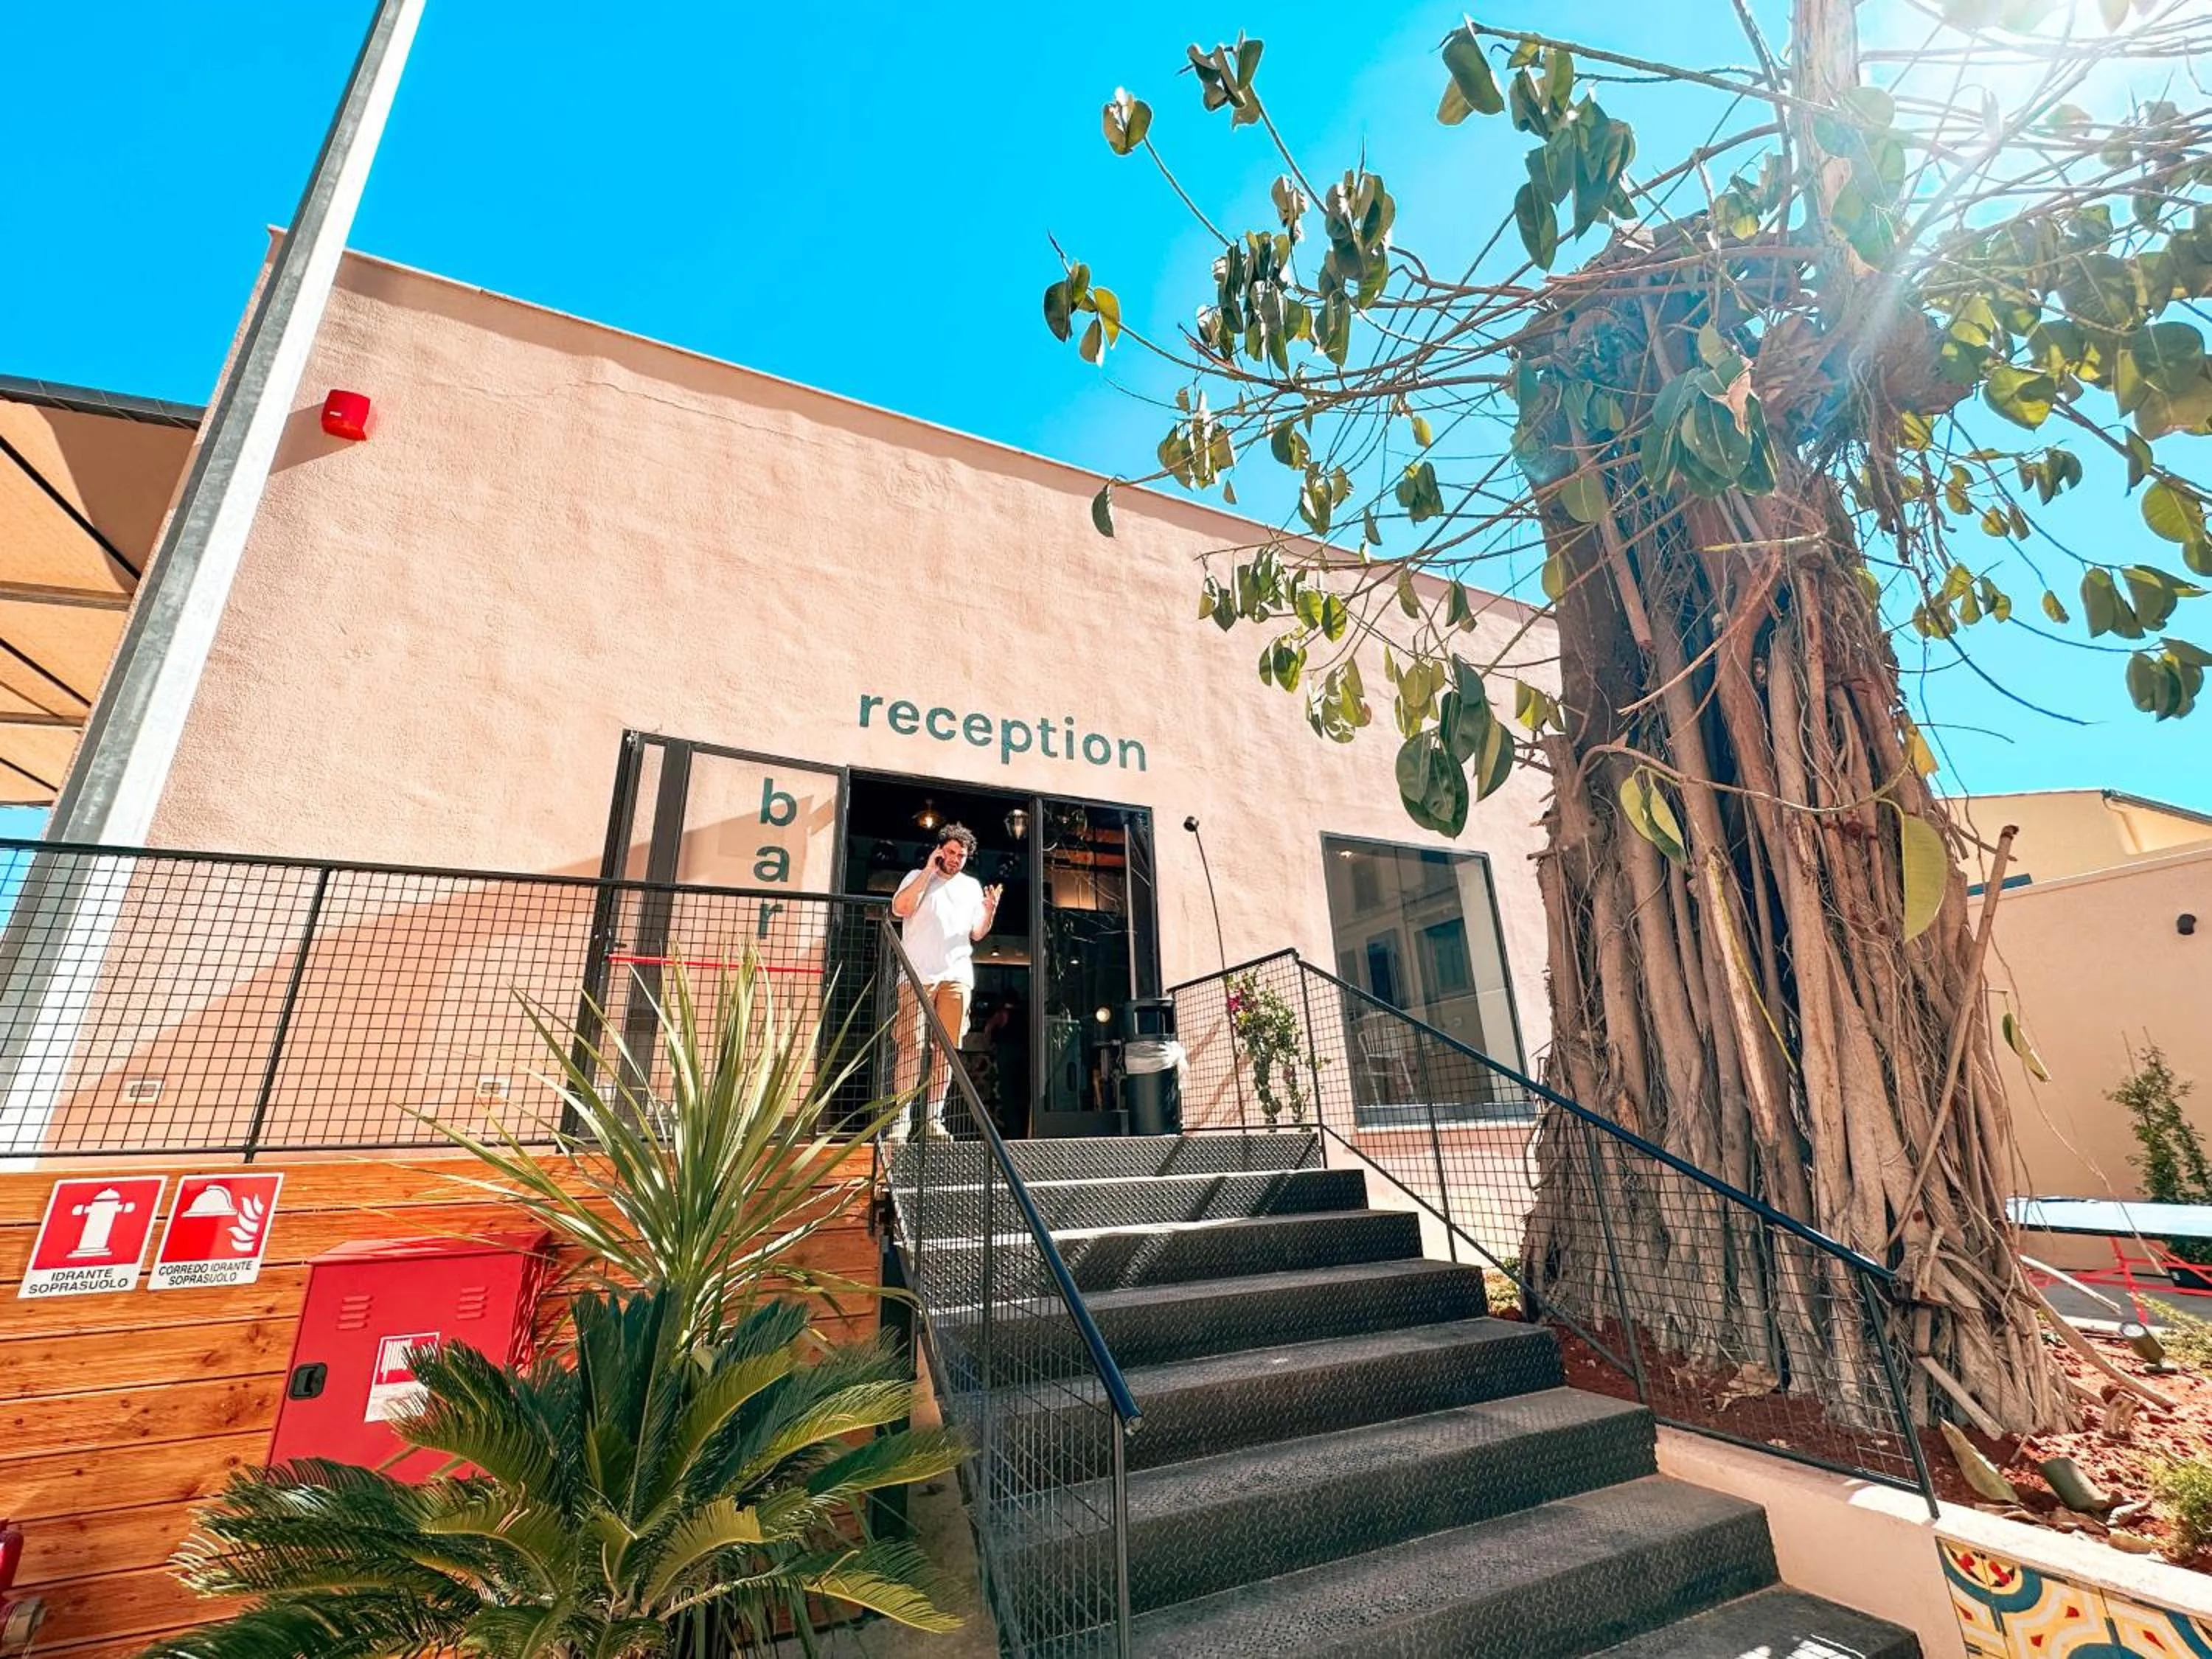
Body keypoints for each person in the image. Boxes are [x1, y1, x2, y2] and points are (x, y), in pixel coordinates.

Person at [888, 823, 1001, 1140]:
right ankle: (902, 1119)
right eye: (950, 852)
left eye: (961, 855)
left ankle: (933, 1118)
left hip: (957, 975)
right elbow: (901, 908)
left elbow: (976, 932)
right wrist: (928, 870)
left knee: (947, 1050)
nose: (954, 859)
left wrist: (990, 910)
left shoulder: (971, 886)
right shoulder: (916, 876)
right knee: (911, 1046)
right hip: (917, 975)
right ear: (940, 850)